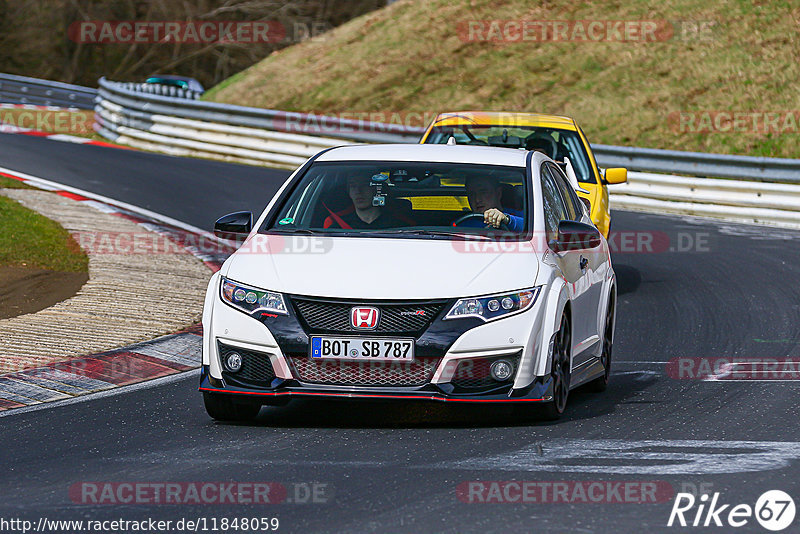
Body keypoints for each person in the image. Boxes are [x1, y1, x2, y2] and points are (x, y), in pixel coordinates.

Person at [322, 173, 412, 229]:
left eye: (365, 185)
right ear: (349, 192)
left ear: (376, 190)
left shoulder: (399, 226)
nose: (358, 191)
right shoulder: (336, 226)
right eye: (353, 186)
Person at [460, 175, 524, 232]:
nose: (477, 200)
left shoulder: (517, 215)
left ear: (498, 193)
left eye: (483, 192)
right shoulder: (462, 224)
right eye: (471, 194)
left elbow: (530, 227)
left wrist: (507, 220)